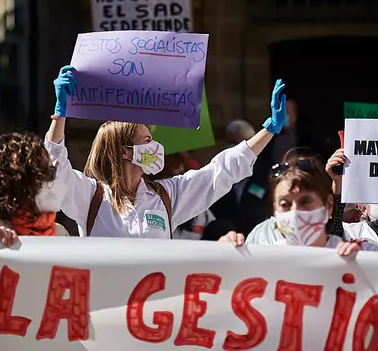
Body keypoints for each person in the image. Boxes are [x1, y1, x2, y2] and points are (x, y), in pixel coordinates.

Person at [44, 65, 285, 239]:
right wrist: (60, 115)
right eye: (147, 140)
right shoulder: (91, 197)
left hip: (154, 307)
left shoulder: (167, 196)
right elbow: (56, 169)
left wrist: (268, 129)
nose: (156, 148)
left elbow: (221, 171)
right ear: (125, 151)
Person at [218, 152, 366, 256]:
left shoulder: (355, 256)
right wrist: (226, 258)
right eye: (285, 203)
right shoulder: (259, 255)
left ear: (328, 205)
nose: (295, 211)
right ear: (274, 209)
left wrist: (361, 271)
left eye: (305, 201)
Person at [210, 120, 272, 234]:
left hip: (257, 237)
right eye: (230, 142)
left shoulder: (265, 172)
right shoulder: (218, 171)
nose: (234, 148)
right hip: (228, 240)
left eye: (238, 143)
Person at [157, 153, 218, 240]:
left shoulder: (197, 203)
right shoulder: (154, 207)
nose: (177, 182)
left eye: (181, 174)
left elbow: (213, 226)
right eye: (171, 176)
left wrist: (226, 234)